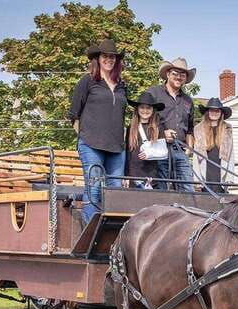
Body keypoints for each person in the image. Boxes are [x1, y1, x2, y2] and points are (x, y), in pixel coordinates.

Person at [68, 38, 128, 223]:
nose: (109, 59)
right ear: (98, 58)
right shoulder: (87, 81)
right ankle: (90, 233)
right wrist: (85, 137)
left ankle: (112, 234)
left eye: (113, 57)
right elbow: (73, 115)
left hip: (117, 147)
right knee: (93, 187)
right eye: (105, 56)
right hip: (91, 144)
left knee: (115, 189)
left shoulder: (122, 85)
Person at [147, 57, 196, 192]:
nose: (178, 77)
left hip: (180, 148)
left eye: (182, 74)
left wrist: (190, 147)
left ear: (186, 78)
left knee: (187, 187)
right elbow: (143, 121)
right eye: (175, 73)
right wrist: (162, 134)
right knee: (160, 187)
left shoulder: (188, 100)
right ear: (168, 74)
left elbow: (190, 129)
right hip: (158, 146)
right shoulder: (153, 93)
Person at [124, 91, 165, 189]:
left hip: (152, 174)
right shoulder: (132, 127)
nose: (145, 110)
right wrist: (126, 175)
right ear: (137, 109)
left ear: (153, 110)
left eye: (148, 108)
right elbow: (128, 153)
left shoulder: (158, 127)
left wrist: (150, 153)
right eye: (142, 107)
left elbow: (163, 151)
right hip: (134, 174)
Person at [193, 97, 234, 193]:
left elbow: (231, 155)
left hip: (220, 169)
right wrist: (197, 180)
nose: (214, 113)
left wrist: (229, 177)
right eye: (212, 110)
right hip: (206, 169)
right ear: (207, 112)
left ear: (221, 113)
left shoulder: (227, 129)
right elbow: (196, 157)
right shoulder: (199, 129)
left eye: (217, 111)